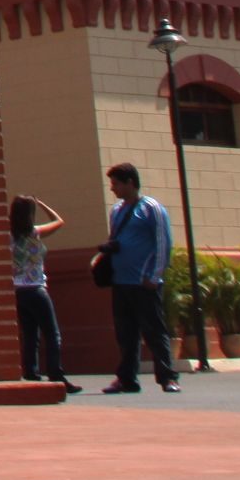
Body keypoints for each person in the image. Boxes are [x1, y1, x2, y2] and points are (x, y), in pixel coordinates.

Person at [99, 162, 178, 394]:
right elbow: (115, 238)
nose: (113, 189)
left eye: (116, 184)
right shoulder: (116, 210)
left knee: (154, 331)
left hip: (144, 282)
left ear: (130, 183)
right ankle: (127, 378)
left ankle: (167, 377)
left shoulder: (151, 208)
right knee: (125, 333)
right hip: (121, 281)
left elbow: (164, 242)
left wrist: (155, 275)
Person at [9, 196, 81, 393]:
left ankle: (31, 372)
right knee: (52, 333)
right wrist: (42, 204)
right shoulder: (35, 232)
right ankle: (56, 374)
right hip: (36, 288)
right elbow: (59, 221)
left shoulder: (8, 236)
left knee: (30, 334)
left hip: (17, 290)